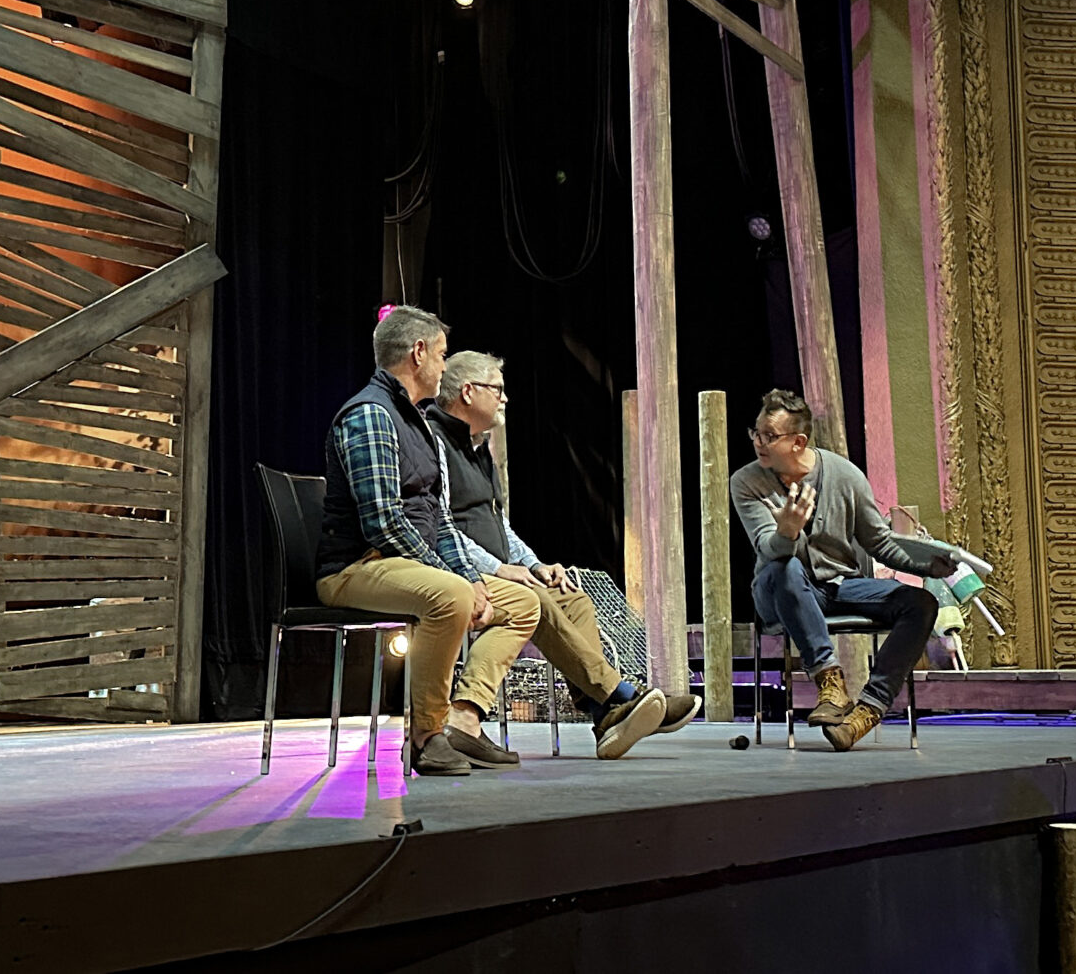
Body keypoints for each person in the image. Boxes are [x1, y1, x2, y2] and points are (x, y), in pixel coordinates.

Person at [315, 306, 541, 777]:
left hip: (404, 563)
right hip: (356, 566)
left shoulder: (417, 423)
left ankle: (465, 718)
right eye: (440, 355)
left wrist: (469, 574)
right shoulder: (370, 415)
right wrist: (458, 581)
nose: (444, 365)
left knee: (522, 604)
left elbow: (439, 521)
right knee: (451, 595)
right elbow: (383, 523)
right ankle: (425, 735)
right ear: (418, 354)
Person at [426, 350, 678, 759]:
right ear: (468, 392)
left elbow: (500, 526)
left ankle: (605, 715)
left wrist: (534, 564)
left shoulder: (478, 448)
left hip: (500, 572)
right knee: (536, 601)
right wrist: (500, 569)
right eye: (498, 390)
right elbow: (441, 528)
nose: (505, 399)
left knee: (572, 598)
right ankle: (618, 696)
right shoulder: (434, 442)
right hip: (460, 572)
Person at [729, 389, 955, 751]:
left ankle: (868, 708)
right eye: (756, 433)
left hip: (839, 587)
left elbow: (879, 543)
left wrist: (928, 565)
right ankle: (829, 681)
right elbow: (766, 548)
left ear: (798, 441)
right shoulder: (747, 481)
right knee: (785, 567)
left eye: (769, 436)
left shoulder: (845, 476)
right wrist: (787, 531)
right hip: (779, 593)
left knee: (921, 603)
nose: (759, 442)